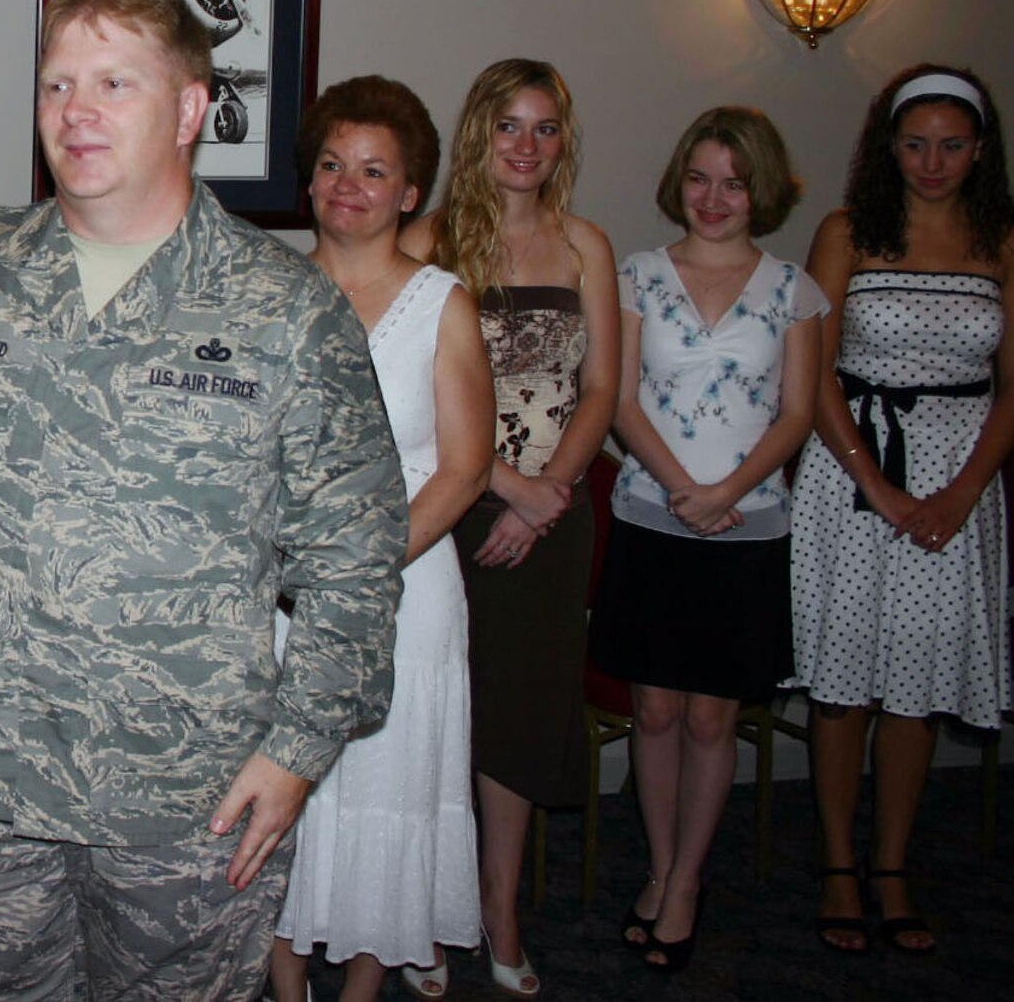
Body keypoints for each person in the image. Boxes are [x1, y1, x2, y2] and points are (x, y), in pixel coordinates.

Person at [0, 0, 407, 999]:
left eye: (112, 82)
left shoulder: (284, 311)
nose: (75, 111)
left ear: (189, 109)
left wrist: (298, 748)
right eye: (56, 84)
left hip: (190, 796)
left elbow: (355, 559)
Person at [789, 64, 1014, 954]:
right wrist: (877, 483)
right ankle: (837, 864)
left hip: (958, 478)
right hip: (855, 473)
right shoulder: (848, 232)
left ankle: (892, 864)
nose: (933, 161)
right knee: (844, 679)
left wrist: (966, 487)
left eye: (952, 144)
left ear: (980, 148)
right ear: (887, 147)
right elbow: (811, 376)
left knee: (918, 685)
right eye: (915, 143)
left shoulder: (1004, 240)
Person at [267, 77, 493, 1002]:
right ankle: (284, 985)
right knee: (281, 794)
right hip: (270, 591)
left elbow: (464, 471)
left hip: (403, 589)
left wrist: (352, 571)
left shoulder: (445, 304)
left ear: (410, 193)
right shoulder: (264, 292)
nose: (346, 185)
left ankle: (362, 988)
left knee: (389, 790)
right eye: (330, 164)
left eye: (373, 170)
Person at [402, 57, 618, 998]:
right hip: (446, 507)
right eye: (508, 127)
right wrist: (500, 484)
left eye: (545, 129)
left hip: (554, 515)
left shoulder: (585, 247)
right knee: (437, 714)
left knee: (518, 724)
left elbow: (602, 388)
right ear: (478, 132)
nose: (526, 147)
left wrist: (549, 494)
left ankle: (498, 912)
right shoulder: (430, 238)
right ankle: (420, 917)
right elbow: (401, 385)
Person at [588, 107, 822, 972]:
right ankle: (655, 865)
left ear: (761, 188)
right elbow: (616, 399)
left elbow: (799, 411)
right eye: (699, 178)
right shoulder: (636, 276)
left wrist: (726, 492)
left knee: (713, 719)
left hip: (748, 525)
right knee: (655, 711)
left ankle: (686, 880)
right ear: (677, 181)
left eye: (733, 180)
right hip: (655, 516)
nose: (714, 198)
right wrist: (685, 491)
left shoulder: (794, 289)